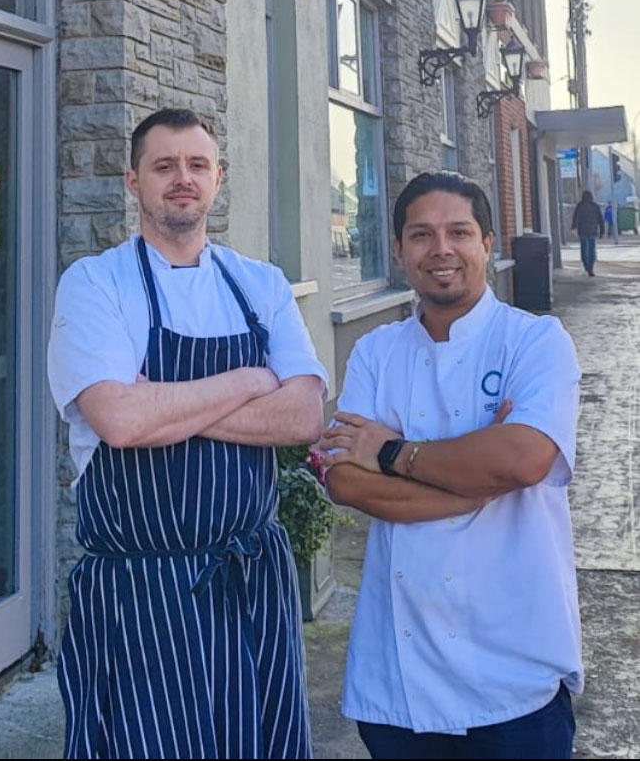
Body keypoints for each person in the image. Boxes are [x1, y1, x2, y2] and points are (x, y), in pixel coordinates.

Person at [47, 108, 327, 759]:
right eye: (164, 166)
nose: (182, 179)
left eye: (197, 165)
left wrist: (161, 403)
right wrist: (251, 380)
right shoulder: (95, 284)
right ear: (132, 181)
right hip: (139, 601)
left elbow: (305, 416)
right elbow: (118, 421)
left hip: (250, 587)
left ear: (218, 178)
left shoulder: (261, 285)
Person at [315, 172, 582, 760]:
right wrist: (474, 485)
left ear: (488, 243)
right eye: (421, 234)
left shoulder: (535, 341)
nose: (441, 249)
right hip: (399, 681)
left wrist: (391, 453)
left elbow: (524, 458)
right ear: (400, 249)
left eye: (459, 232)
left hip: (515, 679)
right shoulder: (375, 352)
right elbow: (341, 478)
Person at [571, 190, 604, 275]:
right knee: (591, 250)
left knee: (584, 249)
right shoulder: (595, 206)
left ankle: (586, 264)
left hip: (582, 231)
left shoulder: (580, 206)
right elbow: (600, 219)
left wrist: (573, 227)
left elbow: (575, 217)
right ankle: (591, 267)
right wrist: (602, 231)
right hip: (593, 230)